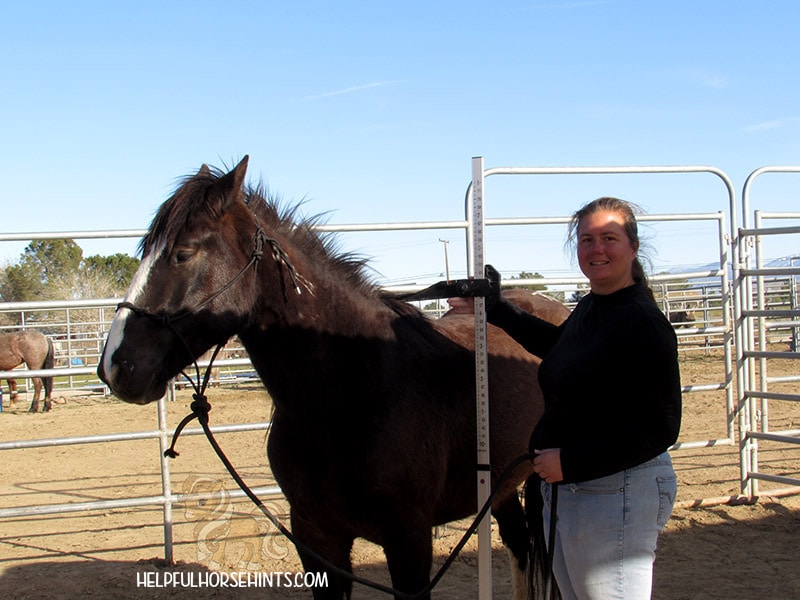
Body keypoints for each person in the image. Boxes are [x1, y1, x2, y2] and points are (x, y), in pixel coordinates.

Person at [448, 197, 681, 600]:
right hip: (575, 489)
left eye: (609, 237)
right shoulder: (595, 306)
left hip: (616, 489)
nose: (597, 249)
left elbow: (662, 426)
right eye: (587, 239)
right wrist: (497, 309)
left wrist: (572, 461)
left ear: (633, 247)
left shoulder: (643, 323)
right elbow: (560, 347)